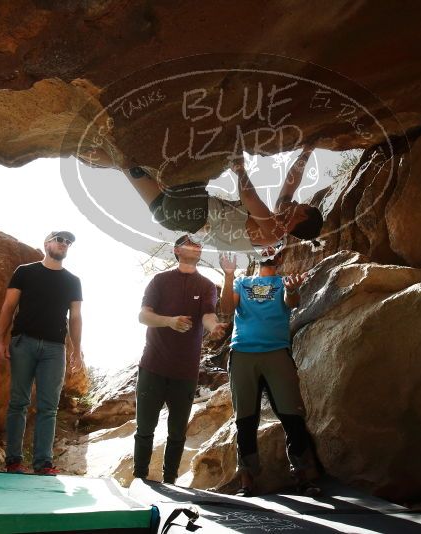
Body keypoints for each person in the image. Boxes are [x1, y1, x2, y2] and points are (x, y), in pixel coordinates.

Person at [218, 248, 321, 497]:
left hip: (277, 353)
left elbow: (291, 302)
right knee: (245, 419)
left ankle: (302, 476)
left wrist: (293, 289)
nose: (268, 251)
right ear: (255, 255)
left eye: (274, 249)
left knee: (292, 416)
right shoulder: (242, 282)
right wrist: (229, 276)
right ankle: (247, 480)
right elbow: (227, 309)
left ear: (280, 257)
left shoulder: (284, 282)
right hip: (242, 354)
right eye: (263, 248)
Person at [134, 234, 228, 483]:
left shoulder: (206, 286)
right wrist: (169, 322)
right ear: (177, 250)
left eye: (198, 244)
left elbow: (208, 316)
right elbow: (143, 316)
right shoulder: (160, 281)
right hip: (153, 366)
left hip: (185, 372)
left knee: (177, 433)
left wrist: (214, 327)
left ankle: (170, 482)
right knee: (144, 430)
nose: (196, 247)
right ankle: (139, 479)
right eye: (190, 244)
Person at [0, 230, 83, 476]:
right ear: (47, 244)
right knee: (18, 403)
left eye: (68, 242)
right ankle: (13, 461)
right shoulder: (25, 271)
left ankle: (43, 463)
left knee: (48, 407)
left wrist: (77, 349)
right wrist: (0, 340)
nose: (64, 244)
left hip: (55, 348)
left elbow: (75, 317)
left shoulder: (73, 281)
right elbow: (8, 307)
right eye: (60, 239)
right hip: (23, 343)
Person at [125, 145, 323, 254]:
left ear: (303, 216)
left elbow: (249, 197)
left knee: (203, 153)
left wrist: (240, 170)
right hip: (170, 217)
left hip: (193, 209)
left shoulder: (274, 232)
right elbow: (291, 182)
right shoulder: (277, 220)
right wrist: (307, 151)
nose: (296, 202)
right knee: (124, 161)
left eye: (302, 205)